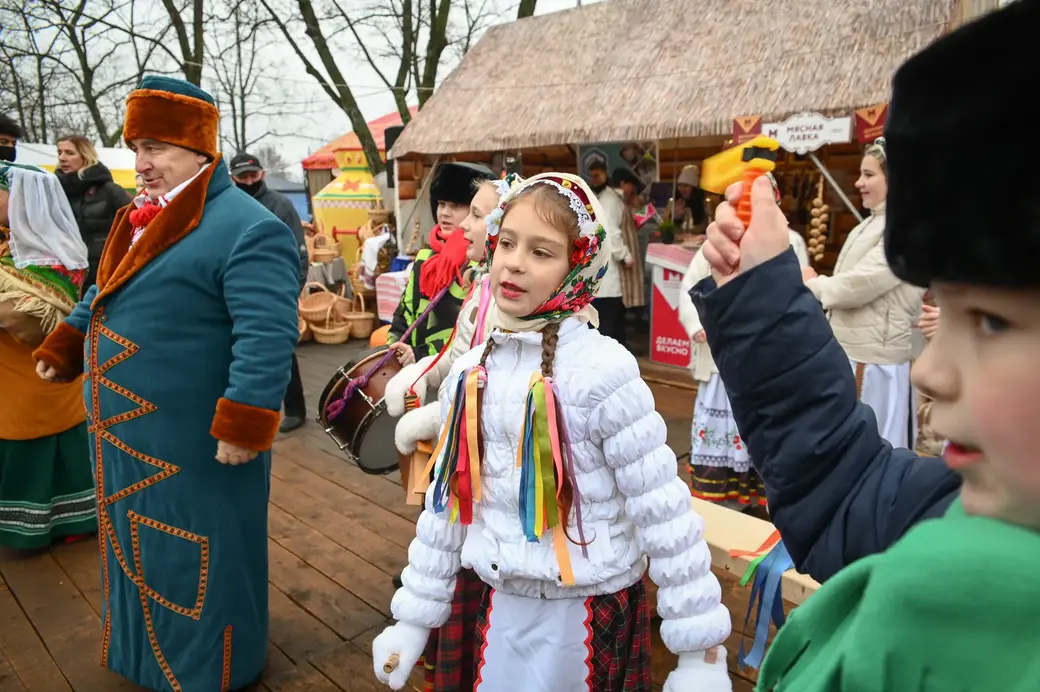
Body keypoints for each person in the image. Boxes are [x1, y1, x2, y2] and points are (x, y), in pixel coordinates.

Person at [692, 3, 1037, 687]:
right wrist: (762, 291)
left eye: (992, 322)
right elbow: (847, 492)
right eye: (948, 305)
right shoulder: (962, 507)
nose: (932, 370)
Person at [373, 173, 732, 692]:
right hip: (493, 604)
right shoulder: (471, 370)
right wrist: (413, 618)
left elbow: (663, 511)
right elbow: (448, 507)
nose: (515, 262)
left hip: (584, 613)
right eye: (508, 244)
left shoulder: (604, 372)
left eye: (542, 252)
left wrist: (699, 651)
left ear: (577, 267)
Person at [32, 76, 299, 692]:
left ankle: (213, 671)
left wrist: (246, 422)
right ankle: (147, 663)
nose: (142, 163)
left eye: (157, 147)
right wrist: (69, 342)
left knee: (199, 554)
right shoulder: (138, 217)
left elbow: (266, 335)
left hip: (196, 444)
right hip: (126, 442)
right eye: (136, 147)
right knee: (136, 549)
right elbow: (106, 291)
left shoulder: (249, 227)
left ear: (199, 150)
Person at [383, 174, 522, 692]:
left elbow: (499, 385)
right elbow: (459, 354)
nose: (463, 221)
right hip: (465, 448)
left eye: (476, 213)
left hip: (504, 464)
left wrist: (434, 413)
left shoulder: (518, 297)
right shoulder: (481, 286)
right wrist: (415, 374)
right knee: (449, 540)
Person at [678, 173, 807, 510]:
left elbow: (799, 294)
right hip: (721, 359)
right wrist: (697, 325)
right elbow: (690, 286)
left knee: (763, 424)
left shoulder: (790, 241)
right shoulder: (720, 240)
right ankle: (723, 499)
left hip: (768, 363)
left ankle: (764, 501)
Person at [800, 138, 924, 449]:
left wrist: (814, 284)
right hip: (854, 353)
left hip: (875, 364)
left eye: (869, 175)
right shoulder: (870, 225)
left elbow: (860, 285)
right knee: (851, 447)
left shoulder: (904, 227)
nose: (859, 183)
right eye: (860, 174)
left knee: (873, 446)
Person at [0, 161, 96, 550]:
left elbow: (36, 319)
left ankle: (64, 521)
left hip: (39, 372)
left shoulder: (54, 253)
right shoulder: (7, 243)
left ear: (21, 199)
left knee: (40, 441)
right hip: (10, 374)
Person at [229, 152, 310, 433]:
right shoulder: (226, 206)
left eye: (253, 175)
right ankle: (253, 409)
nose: (249, 181)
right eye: (243, 177)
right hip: (236, 288)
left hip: (276, 288)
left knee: (282, 349)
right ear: (233, 178)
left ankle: (296, 409)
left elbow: (300, 250)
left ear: (261, 173)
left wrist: (293, 288)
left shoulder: (281, 204)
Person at [387, 162, 494, 363]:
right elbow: (404, 312)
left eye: (455, 206)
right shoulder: (425, 258)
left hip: (454, 372)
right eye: (442, 203)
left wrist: (420, 356)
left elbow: (473, 333)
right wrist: (395, 348)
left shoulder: (481, 268)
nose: (444, 212)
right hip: (409, 370)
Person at [55, 135, 132, 294]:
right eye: (59, 152)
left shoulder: (110, 190)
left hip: (103, 275)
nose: (62, 158)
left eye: (70, 153)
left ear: (85, 156)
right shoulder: (53, 191)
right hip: (65, 276)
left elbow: (134, 225)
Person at [585, 159, 631, 345]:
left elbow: (611, 232)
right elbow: (609, 231)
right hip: (602, 271)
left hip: (609, 269)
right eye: (592, 175)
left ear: (605, 174)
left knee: (610, 320)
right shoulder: (599, 198)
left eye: (598, 175)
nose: (594, 179)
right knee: (606, 322)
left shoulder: (610, 199)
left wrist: (625, 255)